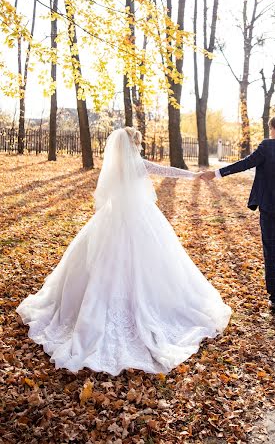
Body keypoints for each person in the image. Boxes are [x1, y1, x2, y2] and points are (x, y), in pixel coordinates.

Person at [17, 127, 231, 376]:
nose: (139, 146)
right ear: (133, 144)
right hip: (139, 219)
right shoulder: (137, 164)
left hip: (111, 219)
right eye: (138, 143)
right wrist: (194, 175)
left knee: (104, 266)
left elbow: (105, 194)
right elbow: (167, 171)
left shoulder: (114, 166)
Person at [200, 115, 275, 313]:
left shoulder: (268, 146)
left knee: (272, 250)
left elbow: (245, 163)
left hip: (270, 207)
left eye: (271, 129)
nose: (270, 132)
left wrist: (217, 173)